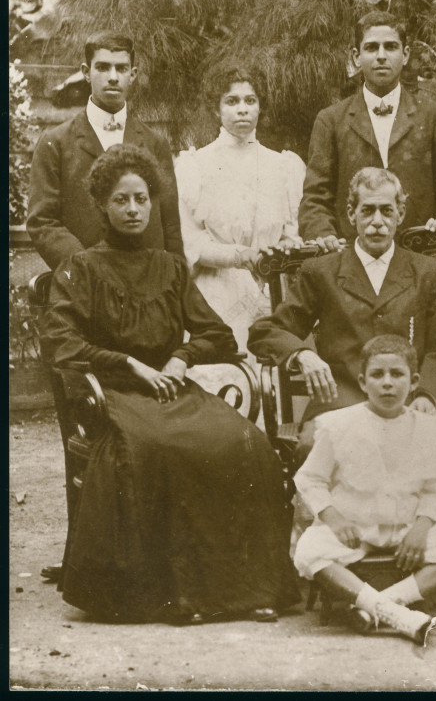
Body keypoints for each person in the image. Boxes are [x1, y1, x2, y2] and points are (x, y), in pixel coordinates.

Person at [39, 144, 299, 624]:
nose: (133, 209)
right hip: (119, 393)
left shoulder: (171, 266)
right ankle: (173, 595)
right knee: (158, 448)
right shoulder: (83, 268)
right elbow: (63, 344)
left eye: (141, 198)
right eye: (121, 200)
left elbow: (217, 335)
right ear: (102, 205)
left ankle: (247, 588)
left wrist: (181, 358)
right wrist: (129, 366)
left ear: (153, 202)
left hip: (173, 388)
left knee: (244, 442)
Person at [248, 167, 436, 460]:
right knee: (315, 446)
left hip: (407, 398)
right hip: (341, 399)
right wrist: (302, 355)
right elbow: (266, 331)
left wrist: (428, 393)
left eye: (387, 211)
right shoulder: (321, 271)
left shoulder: (428, 272)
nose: (377, 221)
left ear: (400, 214)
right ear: (352, 214)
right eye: (368, 211)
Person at [293, 335, 436, 645]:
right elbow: (311, 479)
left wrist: (422, 527)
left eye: (397, 374)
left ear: (414, 380)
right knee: (309, 551)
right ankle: (398, 613)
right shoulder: (338, 425)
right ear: (362, 381)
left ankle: (381, 605)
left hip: (406, 526)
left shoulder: (430, 429)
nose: (387, 384)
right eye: (377, 375)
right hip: (354, 525)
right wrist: (334, 518)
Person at [298, 10, 436, 250]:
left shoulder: (434, 117)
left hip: (419, 259)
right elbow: (315, 199)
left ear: (406, 54)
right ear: (356, 57)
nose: (381, 56)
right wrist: (324, 236)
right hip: (350, 261)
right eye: (371, 48)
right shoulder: (331, 120)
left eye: (390, 47)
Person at [175, 64, 304, 368]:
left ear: (261, 107)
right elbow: (190, 242)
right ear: (216, 109)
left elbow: (291, 232)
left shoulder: (284, 167)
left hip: (272, 290)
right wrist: (241, 255)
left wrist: (286, 247)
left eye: (250, 100)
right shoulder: (195, 166)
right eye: (231, 101)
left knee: (273, 382)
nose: (242, 109)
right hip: (218, 293)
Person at [28, 30, 182, 271]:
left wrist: (174, 279)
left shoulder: (155, 143)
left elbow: (170, 224)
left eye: (121, 69)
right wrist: (84, 267)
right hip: (85, 284)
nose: (113, 77)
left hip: (146, 283)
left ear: (133, 75)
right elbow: (42, 221)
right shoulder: (55, 142)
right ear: (86, 72)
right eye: (102, 67)